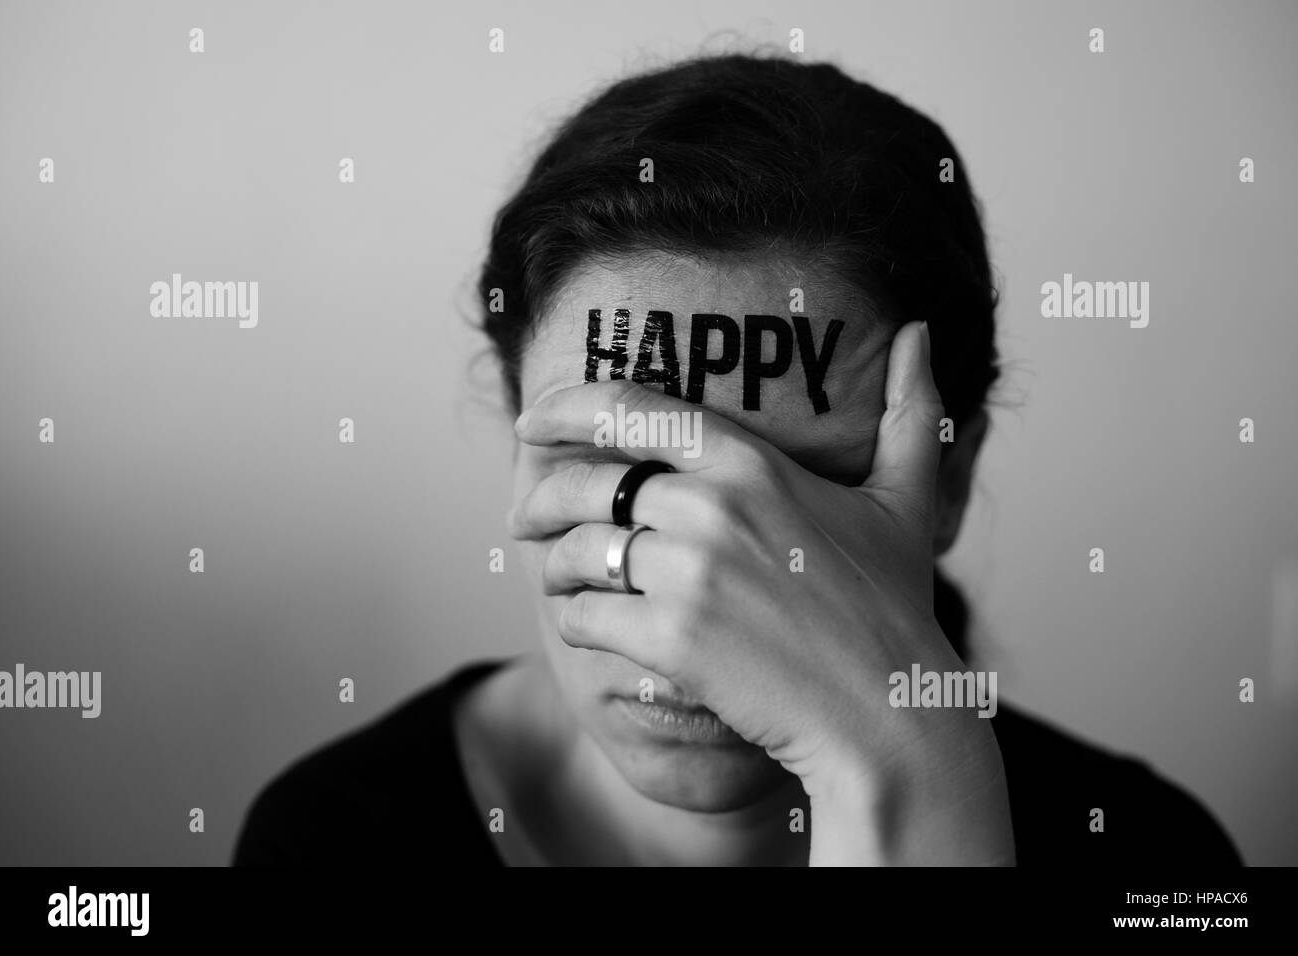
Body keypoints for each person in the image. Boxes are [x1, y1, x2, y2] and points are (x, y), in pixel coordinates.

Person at [233, 52, 1241, 866]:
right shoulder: (335, 840)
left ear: (951, 480)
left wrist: (912, 790)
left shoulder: (1154, 859)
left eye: (797, 489)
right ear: (517, 442)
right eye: (612, 468)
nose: (692, 595)